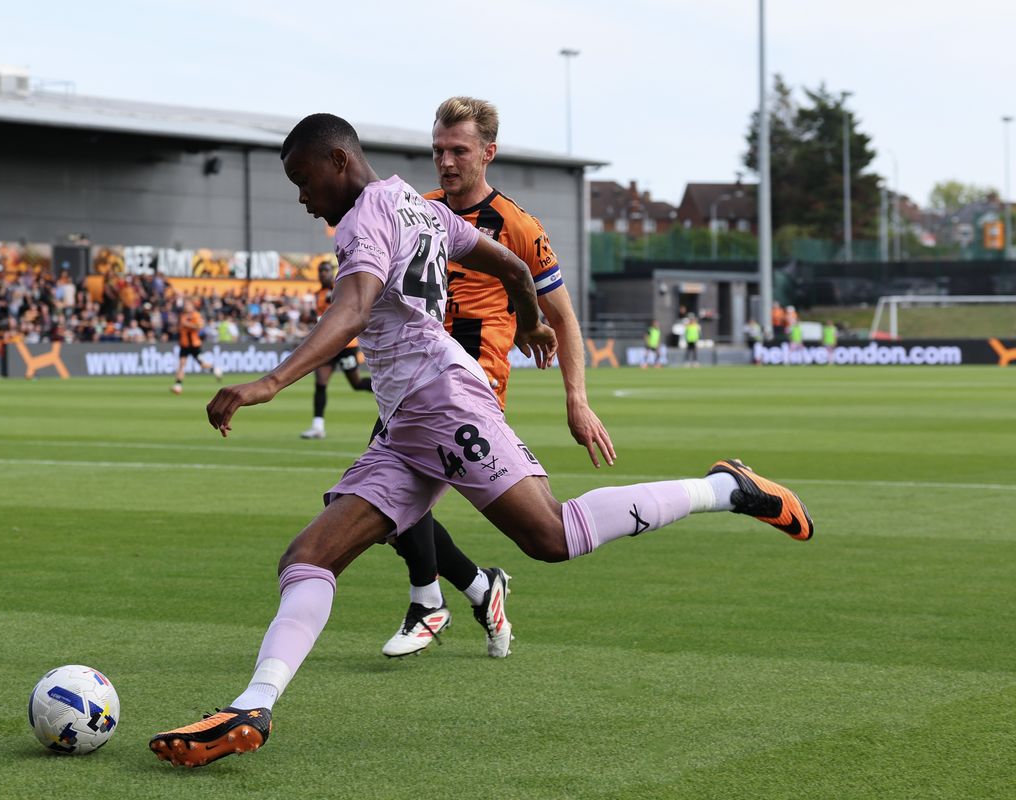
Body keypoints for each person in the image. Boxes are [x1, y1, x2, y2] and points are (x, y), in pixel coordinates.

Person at [148, 114, 813, 769]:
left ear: (340, 162)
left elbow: (352, 308)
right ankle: (253, 705)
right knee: (309, 556)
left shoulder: (366, 218)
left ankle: (726, 487)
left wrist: (270, 382)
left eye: (303, 180)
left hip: (439, 399)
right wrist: (526, 314)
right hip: (406, 421)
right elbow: (511, 267)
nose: (301, 196)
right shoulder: (420, 207)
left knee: (551, 536)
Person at [379, 96, 613, 659]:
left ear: (489, 152)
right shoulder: (420, 210)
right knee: (381, 505)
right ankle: (479, 591)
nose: (446, 161)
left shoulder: (518, 227)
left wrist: (576, 399)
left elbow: (564, 320)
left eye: (458, 150)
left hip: (471, 387)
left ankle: (434, 601)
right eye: (438, 150)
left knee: (383, 502)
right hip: (416, 378)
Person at [298, 260, 373, 439]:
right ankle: (318, 426)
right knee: (320, 382)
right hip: (328, 344)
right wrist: (310, 319)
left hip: (346, 344)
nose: (322, 274)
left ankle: (387, 387)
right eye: (320, 271)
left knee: (356, 384)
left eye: (325, 270)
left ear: (331, 272)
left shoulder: (340, 288)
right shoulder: (318, 294)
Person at [172, 299, 220, 394]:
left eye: (187, 305)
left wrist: (187, 324)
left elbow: (199, 326)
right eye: (185, 305)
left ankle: (214, 368)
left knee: (202, 365)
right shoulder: (182, 316)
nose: (186, 307)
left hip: (195, 345)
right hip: (184, 344)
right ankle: (178, 385)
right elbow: (181, 326)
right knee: (182, 364)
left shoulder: (196, 315)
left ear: (192, 306)